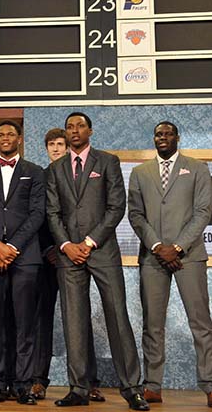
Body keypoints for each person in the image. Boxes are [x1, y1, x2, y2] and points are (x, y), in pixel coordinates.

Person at [45, 112, 149, 411]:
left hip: (101, 251)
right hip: (68, 255)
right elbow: (53, 213)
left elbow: (116, 207)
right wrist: (67, 244)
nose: (74, 131)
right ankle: (79, 388)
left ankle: (131, 388)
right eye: (69, 127)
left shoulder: (107, 162)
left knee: (117, 317)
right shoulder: (56, 169)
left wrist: (88, 243)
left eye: (79, 126)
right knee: (74, 322)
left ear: (90, 130)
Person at [128, 121, 212, 407]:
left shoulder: (198, 169)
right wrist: (157, 247)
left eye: (167, 134)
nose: (161, 138)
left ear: (177, 137)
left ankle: (210, 384)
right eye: (157, 134)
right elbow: (136, 215)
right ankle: (152, 385)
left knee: (201, 323)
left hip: (189, 256)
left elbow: (203, 212)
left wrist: (176, 247)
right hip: (153, 257)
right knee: (153, 325)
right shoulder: (140, 173)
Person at [0, 121, 45, 406]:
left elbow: (38, 213)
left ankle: (24, 384)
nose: (5, 138)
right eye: (1, 134)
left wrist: (12, 247)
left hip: (25, 257)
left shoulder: (35, 172)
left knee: (25, 323)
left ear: (19, 139)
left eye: (10, 134)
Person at [30, 128, 104, 402]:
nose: (57, 148)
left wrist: (79, 247)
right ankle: (39, 381)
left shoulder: (80, 173)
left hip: (79, 256)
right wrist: (49, 248)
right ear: (46, 148)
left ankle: (90, 381)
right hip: (48, 259)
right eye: (52, 144)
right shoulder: (40, 175)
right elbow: (38, 217)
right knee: (42, 321)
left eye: (61, 144)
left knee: (80, 319)